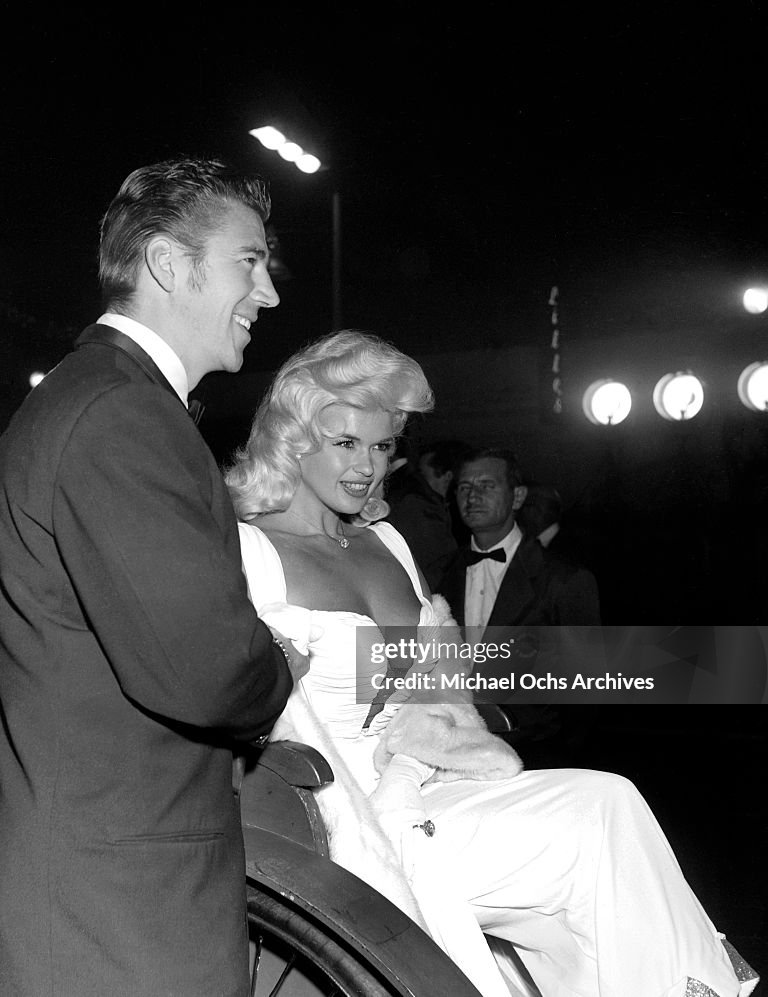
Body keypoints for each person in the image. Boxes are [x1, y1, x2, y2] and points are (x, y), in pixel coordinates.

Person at [224, 331, 757, 997]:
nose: (367, 465)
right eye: (345, 442)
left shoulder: (385, 540)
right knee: (592, 827)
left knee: (610, 795)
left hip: (426, 777)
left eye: (383, 444)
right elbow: (226, 702)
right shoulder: (251, 550)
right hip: (348, 817)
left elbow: (432, 689)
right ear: (295, 437)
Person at [0, 158, 301, 996]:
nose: (266, 293)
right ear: (166, 263)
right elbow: (210, 670)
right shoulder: (124, 416)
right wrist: (281, 661)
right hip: (119, 918)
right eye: (248, 261)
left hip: (113, 894)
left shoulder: (108, 401)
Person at [439, 448, 601, 634]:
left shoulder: (564, 580)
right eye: (464, 487)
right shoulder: (440, 573)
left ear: (517, 497)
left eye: (487, 485)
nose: (472, 497)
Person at [387, 438, 469, 590]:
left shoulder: (462, 510)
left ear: (447, 476)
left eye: (422, 474)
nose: (418, 481)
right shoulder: (420, 505)